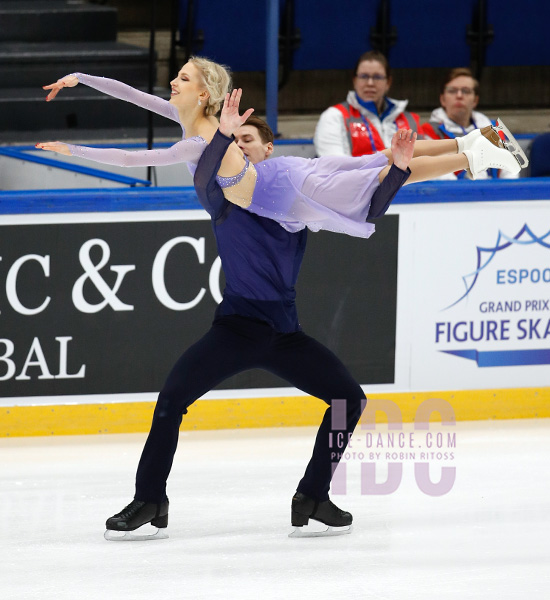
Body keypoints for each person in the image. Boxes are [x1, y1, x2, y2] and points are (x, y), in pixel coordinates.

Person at [36, 60, 525, 539]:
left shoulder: (233, 155)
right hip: (239, 326)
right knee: (172, 400)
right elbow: (136, 110)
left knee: (376, 169)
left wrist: (223, 135)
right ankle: (150, 499)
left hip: (284, 266)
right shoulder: (202, 149)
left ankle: (313, 494)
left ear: (205, 95)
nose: (171, 82)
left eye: (182, 77)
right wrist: (81, 82)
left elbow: (147, 155)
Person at [314, 50, 422, 157]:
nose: (370, 83)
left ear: (388, 82)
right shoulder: (334, 116)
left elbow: (425, 163)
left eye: (377, 77)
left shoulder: (409, 120)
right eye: (364, 76)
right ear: (355, 80)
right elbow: (335, 167)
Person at [422, 67, 519, 180]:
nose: (459, 95)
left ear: (475, 100)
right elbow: (438, 173)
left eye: (466, 91)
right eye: (452, 91)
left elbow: (510, 170)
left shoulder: (494, 130)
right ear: (442, 99)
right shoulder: (429, 131)